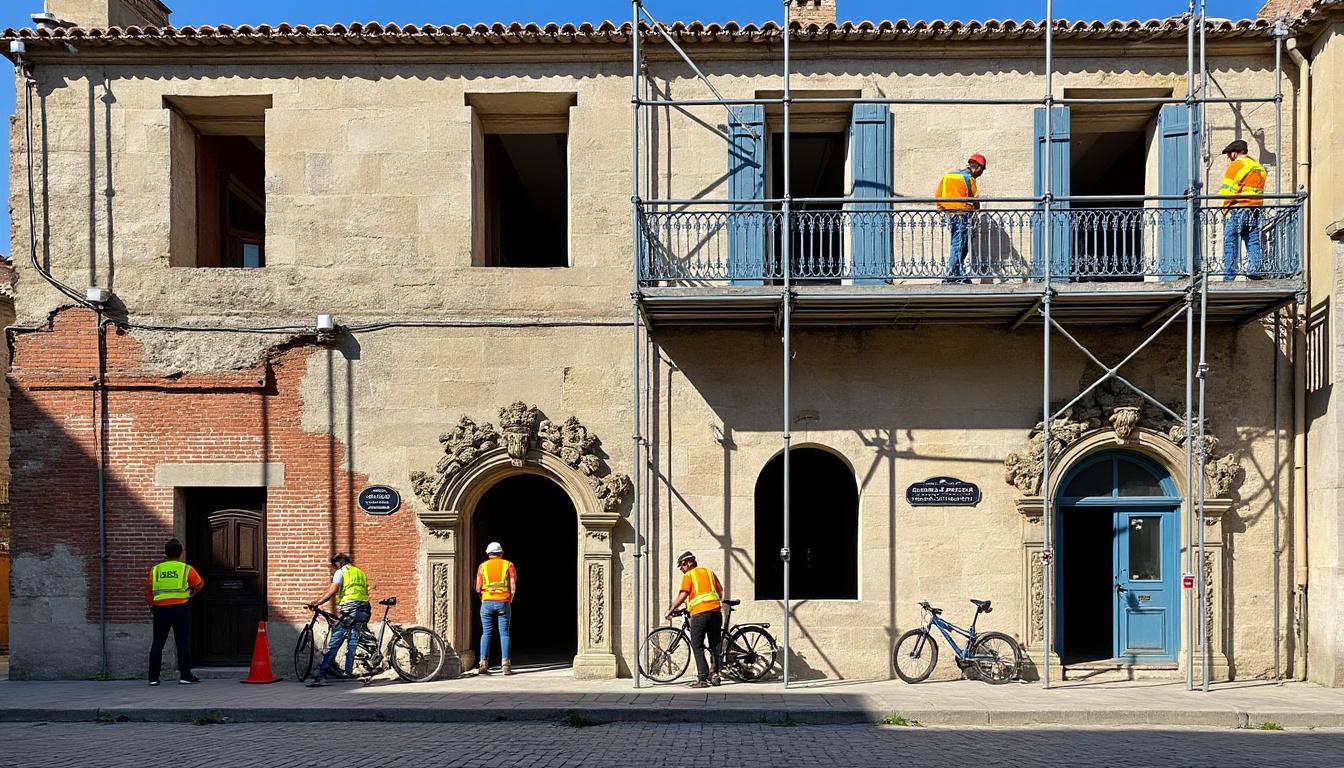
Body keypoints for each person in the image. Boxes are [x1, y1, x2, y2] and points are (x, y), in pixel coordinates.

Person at [305, 553, 371, 687]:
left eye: (335, 566)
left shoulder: (341, 572)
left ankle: (320, 675)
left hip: (351, 611)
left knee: (335, 641)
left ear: (339, 562)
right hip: (364, 610)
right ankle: (348, 671)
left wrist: (317, 603)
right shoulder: (360, 572)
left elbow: (333, 590)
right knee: (352, 640)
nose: (334, 569)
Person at [145, 538, 204, 686]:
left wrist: (152, 606)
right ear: (181, 553)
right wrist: (192, 594)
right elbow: (199, 584)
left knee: (157, 644)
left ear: (165, 553)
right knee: (183, 642)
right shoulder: (186, 569)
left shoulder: (156, 570)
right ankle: (185, 676)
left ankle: (153, 678)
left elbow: (148, 592)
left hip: (160, 610)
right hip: (180, 608)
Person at [665, 551, 725, 688]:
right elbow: (720, 593)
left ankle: (702, 679)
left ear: (689, 563)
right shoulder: (709, 572)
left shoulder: (689, 575)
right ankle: (715, 675)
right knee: (715, 645)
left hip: (700, 615)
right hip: (716, 613)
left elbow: (683, 594)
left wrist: (671, 609)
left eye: (681, 565)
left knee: (697, 646)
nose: (681, 569)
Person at [1218, 139, 1267, 280]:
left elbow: (1228, 192)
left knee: (1231, 242)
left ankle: (1229, 275)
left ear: (1235, 153)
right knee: (1253, 241)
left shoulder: (1236, 166)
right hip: (1255, 209)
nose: (1228, 157)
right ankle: (1255, 270)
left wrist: (1225, 210)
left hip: (1238, 209)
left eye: (1229, 154)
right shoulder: (1258, 167)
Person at [935, 153, 986, 283]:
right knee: (959, 243)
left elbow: (938, 195)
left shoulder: (949, 176)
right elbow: (975, 200)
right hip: (963, 215)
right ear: (978, 167)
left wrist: (942, 207)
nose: (980, 174)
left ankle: (957, 272)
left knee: (959, 243)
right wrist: (977, 210)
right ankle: (953, 275)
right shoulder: (969, 178)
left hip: (951, 214)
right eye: (982, 170)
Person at [476, 541, 517, 675]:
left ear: (488, 553)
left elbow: (477, 587)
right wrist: (509, 599)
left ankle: (483, 663)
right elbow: (513, 584)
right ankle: (505, 664)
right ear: (501, 553)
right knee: (504, 633)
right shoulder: (508, 564)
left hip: (486, 602)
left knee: (486, 633)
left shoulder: (482, 566)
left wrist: (483, 598)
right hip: (503, 602)